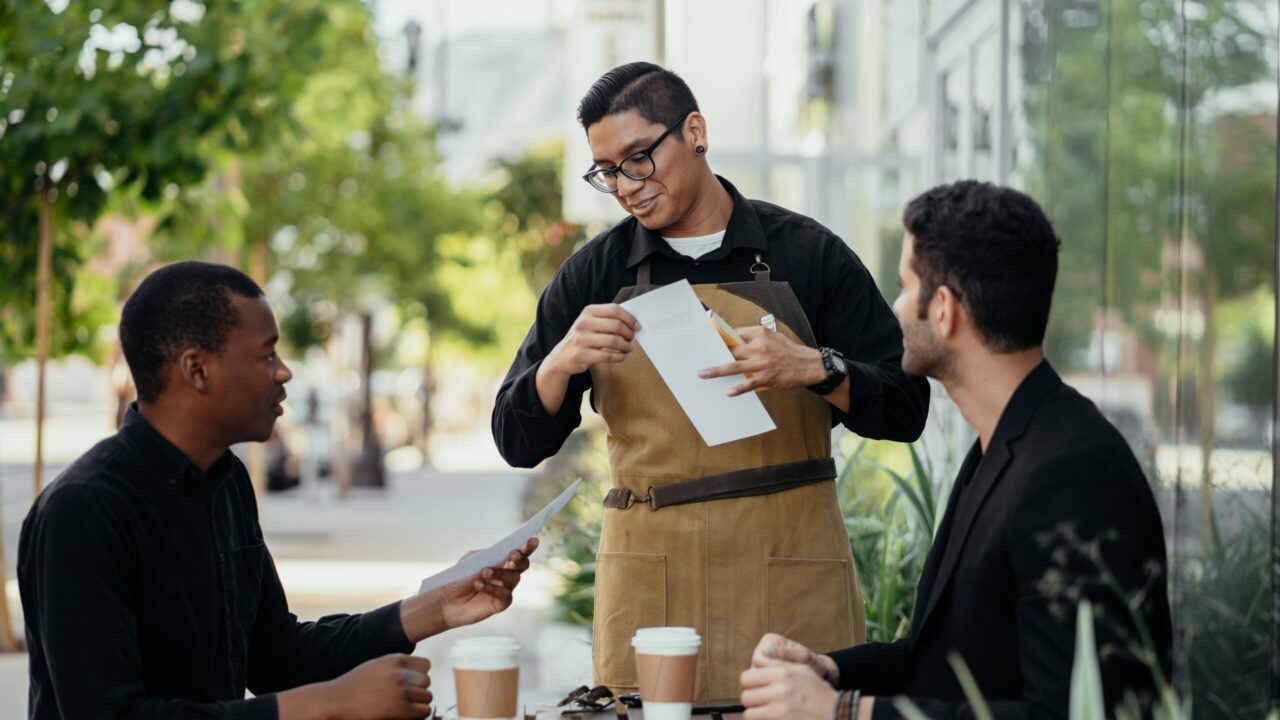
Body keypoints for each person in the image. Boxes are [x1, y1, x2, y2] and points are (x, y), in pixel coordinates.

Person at [491, 61, 929, 699]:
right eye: (606, 171)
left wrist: (817, 367)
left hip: (791, 573)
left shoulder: (810, 254)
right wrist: (559, 362)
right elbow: (515, 439)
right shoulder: (592, 274)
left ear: (694, 131)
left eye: (638, 158)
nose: (625, 187)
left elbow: (907, 409)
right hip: (650, 584)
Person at [19, 261, 538, 719]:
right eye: (267, 356)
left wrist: (437, 606)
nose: (285, 373)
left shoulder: (225, 481)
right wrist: (327, 704)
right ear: (197, 370)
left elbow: (274, 655)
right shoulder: (84, 510)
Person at [738, 181, 1173, 719]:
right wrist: (832, 672)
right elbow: (955, 660)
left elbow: (1075, 713)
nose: (895, 308)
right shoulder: (1007, 443)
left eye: (903, 286)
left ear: (942, 310)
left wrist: (847, 712)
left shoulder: (1074, 476)